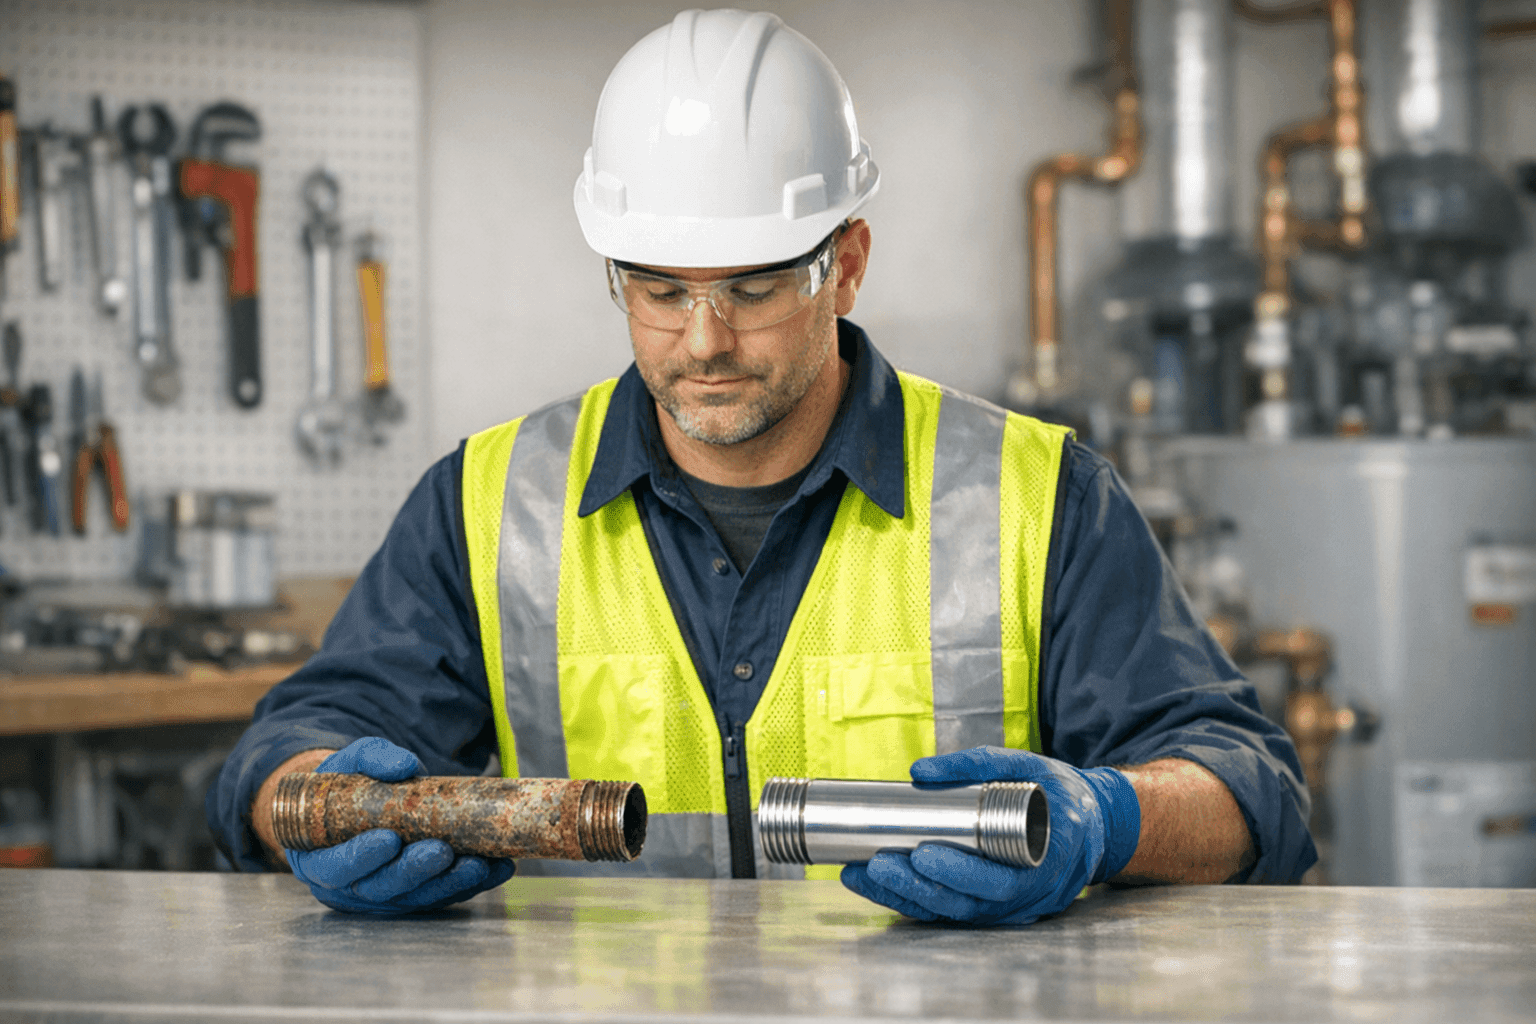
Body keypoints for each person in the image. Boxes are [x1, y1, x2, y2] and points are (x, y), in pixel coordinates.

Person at [209, 9, 1315, 923]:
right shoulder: (492, 502)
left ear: (847, 267)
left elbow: (1249, 792)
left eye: (751, 288)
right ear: (615, 277)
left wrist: (1104, 822)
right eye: (661, 291)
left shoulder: (1034, 492)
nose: (703, 341)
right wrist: (314, 807)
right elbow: (285, 750)